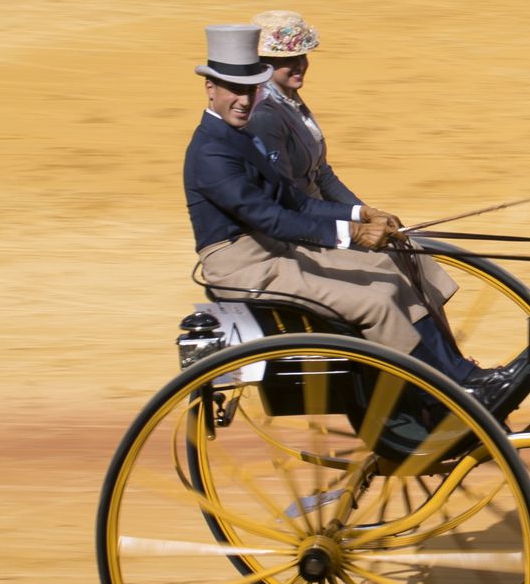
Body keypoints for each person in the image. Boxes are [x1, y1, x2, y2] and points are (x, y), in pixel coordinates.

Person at [183, 23, 487, 392]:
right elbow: (271, 217)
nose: (244, 100)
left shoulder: (240, 137)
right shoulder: (211, 152)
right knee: (373, 302)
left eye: (249, 90)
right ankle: (441, 397)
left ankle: (458, 375)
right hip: (247, 271)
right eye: (234, 90)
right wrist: (353, 233)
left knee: (390, 271)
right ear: (210, 87)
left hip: (275, 251)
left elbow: (294, 199)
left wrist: (360, 213)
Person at [244, 10, 458, 310]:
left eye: (302, 56)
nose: (299, 65)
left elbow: (322, 174)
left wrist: (367, 212)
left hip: (321, 213)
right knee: (389, 267)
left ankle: (441, 351)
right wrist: (354, 223)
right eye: (286, 60)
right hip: (304, 229)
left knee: (405, 248)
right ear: (263, 65)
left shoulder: (289, 101)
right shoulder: (266, 114)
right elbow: (290, 201)